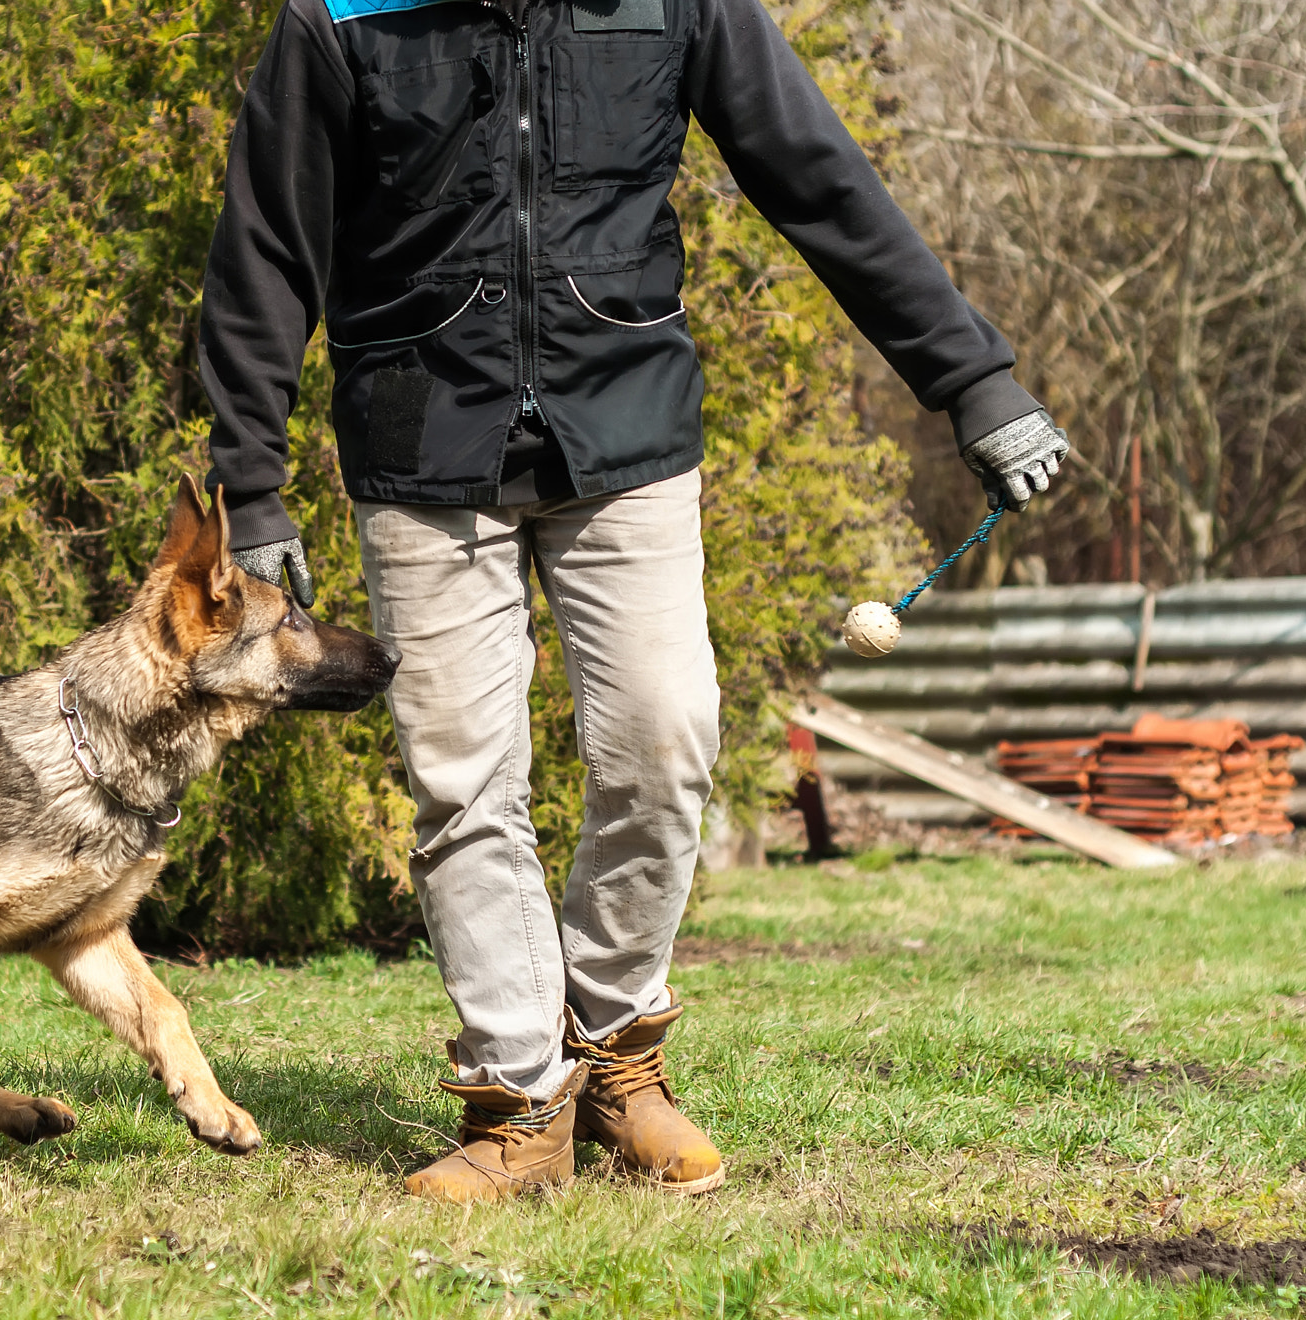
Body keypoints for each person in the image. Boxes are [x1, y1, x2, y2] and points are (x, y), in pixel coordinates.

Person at [197, 0, 1068, 1202]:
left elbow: (817, 179)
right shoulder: (344, 14)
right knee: (462, 781)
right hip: (419, 443)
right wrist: (251, 484)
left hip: (627, 431)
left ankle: (615, 1054)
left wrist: (971, 380)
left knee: (666, 739)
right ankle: (517, 1101)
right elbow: (265, 246)